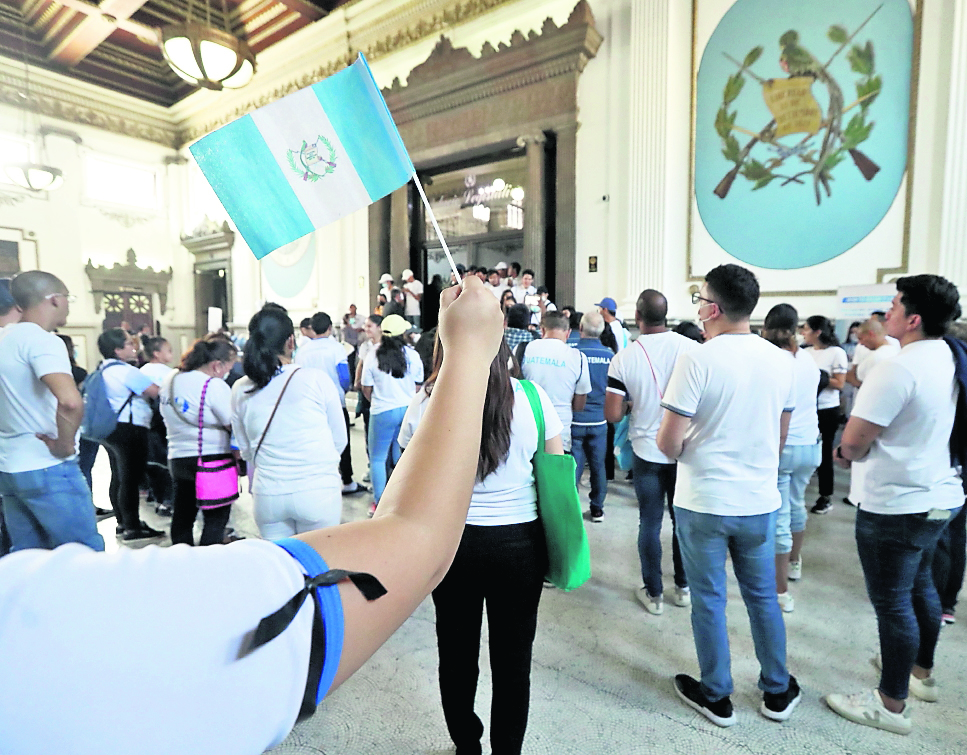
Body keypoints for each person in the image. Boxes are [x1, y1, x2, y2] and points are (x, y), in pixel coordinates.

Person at [0, 277, 508, 755]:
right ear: (293, 341)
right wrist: (469, 353)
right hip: (311, 490)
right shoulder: (67, 615)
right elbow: (414, 535)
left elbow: (241, 440)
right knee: (326, 612)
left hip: (266, 492)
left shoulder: (239, 388)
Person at [399, 333, 561, 755]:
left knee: (455, 652)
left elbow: (409, 469)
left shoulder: (428, 400)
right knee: (514, 661)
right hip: (520, 546)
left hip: (452, 545)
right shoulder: (534, 397)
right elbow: (556, 468)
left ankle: (466, 744)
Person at [657, 264, 799, 727]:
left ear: (712, 308)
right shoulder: (782, 361)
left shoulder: (698, 358)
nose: (698, 307)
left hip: (702, 501)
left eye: (700, 299)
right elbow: (779, 439)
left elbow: (668, 443)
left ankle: (717, 695)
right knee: (762, 598)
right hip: (758, 501)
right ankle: (777, 690)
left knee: (709, 599)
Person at [825, 275, 964, 736]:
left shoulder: (898, 368)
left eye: (895, 304)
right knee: (921, 585)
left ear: (914, 318)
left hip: (898, 502)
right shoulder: (948, 354)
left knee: (892, 603)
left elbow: (857, 441)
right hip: (941, 495)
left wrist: (843, 452)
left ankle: (890, 703)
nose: (888, 310)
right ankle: (920, 673)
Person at [606, 289, 698, 614]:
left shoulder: (624, 358)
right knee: (682, 520)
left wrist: (632, 404)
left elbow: (613, 414)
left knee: (650, 522)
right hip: (684, 451)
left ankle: (654, 593)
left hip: (646, 452)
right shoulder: (693, 349)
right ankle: (684, 588)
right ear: (667, 315)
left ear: (638, 319)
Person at [0, 271, 104, 554]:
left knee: (29, 556)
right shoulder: (43, 341)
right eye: (68, 298)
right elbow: (70, 401)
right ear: (54, 300)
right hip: (47, 464)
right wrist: (65, 444)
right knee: (82, 554)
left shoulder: (4, 339)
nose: (68, 304)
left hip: (9, 466)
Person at [233, 307, 347, 537]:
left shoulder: (241, 388)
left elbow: (245, 449)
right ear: (291, 342)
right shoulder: (315, 380)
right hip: (317, 491)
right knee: (320, 567)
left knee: (281, 569)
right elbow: (339, 439)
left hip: (269, 496)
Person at [761, 304, 820, 612]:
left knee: (780, 517)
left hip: (783, 446)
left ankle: (780, 591)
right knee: (797, 504)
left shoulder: (771, 360)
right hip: (810, 444)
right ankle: (794, 563)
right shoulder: (807, 358)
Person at [159, 336, 239, 545]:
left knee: (183, 517)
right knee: (216, 518)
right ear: (216, 365)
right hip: (212, 458)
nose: (227, 373)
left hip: (177, 457)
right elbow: (232, 422)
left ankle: (182, 562)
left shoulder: (171, 378)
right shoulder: (212, 385)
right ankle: (207, 565)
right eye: (228, 367)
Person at [94, 328, 166, 542]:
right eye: (128, 344)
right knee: (130, 478)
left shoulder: (102, 369)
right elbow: (156, 392)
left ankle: (123, 522)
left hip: (110, 428)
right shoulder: (126, 371)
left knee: (118, 475)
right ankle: (133, 527)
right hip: (130, 428)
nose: (133, 347)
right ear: (117, 349)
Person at [295, 312, 367, 496]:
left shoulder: (302, 351)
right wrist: (344, 389)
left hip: (311, 404)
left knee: (315, 440)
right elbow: (344, 376)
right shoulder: (336, 348)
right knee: (342, 440)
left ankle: (317, 480)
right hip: (335, 401)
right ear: (329, 328)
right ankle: (347, 480)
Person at [361, 314, 424, 512]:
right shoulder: (412, 355)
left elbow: (365, 387)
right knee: (402, 456)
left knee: (378, 458)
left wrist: (378, 401)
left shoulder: (372, 355)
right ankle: (403, 499)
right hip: (407, 410)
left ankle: (380, 504)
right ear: (403, 333)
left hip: (382, 412)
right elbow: (418, 385)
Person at [842, 318, 901, 508]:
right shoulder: (897, 351)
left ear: (871, 334)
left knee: (863, 458)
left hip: (868, 411)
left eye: (861, 338)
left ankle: (858, 497)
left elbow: (853, 378)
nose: (860, 343)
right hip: (892, 415)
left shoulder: (875, 358)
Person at [517, 311, 590, 455]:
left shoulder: (523, 349)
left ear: (542, 329)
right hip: (559, 434)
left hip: (525, 429)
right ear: (568, 333)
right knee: (555, 476)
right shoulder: (578, 358)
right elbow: (579, 405)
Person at [801, 315, 848, 514]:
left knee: (824, 452)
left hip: (827, 409)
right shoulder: (805, 352)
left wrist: (820, 377)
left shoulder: (836, 353)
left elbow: (840, 383)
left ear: (817, 331)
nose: (802, 333)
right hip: (806, 407)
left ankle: (825, 495)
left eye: (805, 329)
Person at [571, 311, 613, 522]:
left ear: (580, 328)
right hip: (599, 420)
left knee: (574, 467)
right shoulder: (610, 356)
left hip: (575, 419)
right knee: (598, 467)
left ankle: (571, 508)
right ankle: (597, 508)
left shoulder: (572, 353)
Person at [140, 336, 176, 516]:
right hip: (162, 423)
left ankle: (157, 497)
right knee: (165, 462)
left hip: (146, 423)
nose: (172, 353)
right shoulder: (167, 373)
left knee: (153, 462)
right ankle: (169, 500)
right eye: (168, 350)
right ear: (156, 353)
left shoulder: (142, 371)